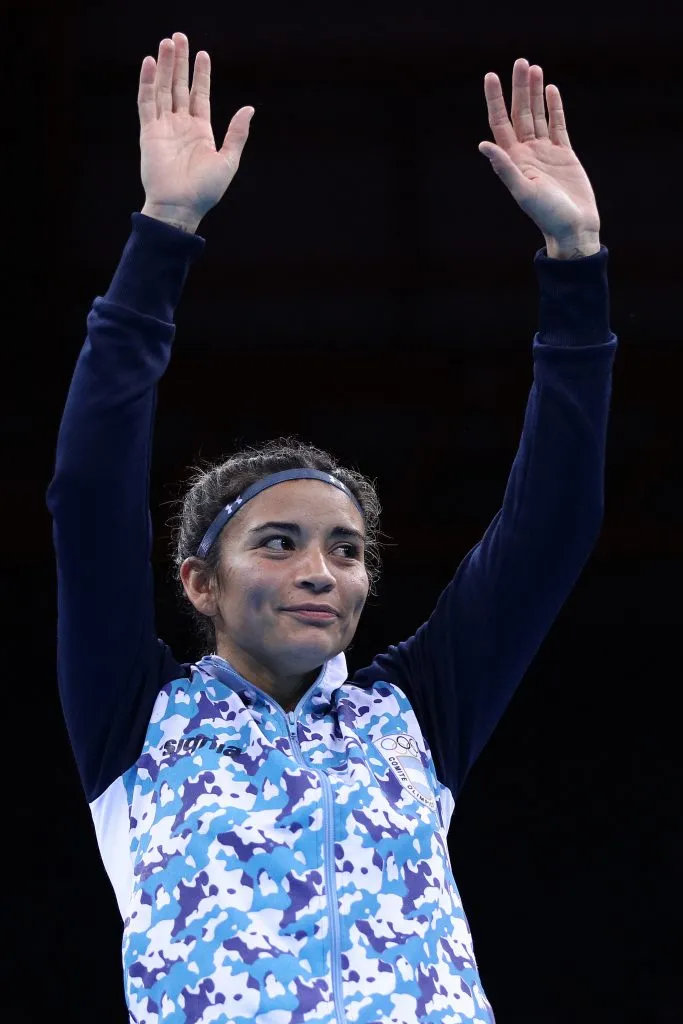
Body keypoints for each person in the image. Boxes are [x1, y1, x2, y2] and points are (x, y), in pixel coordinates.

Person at [46, 29, 617, 1024]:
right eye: (278, 542)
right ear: (197, 580)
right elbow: (88, 496)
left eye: (346, 550)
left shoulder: (411, 715)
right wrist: (163, 230)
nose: (323, 570)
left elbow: (552, 523)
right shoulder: (135, 728)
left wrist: (574, 262)